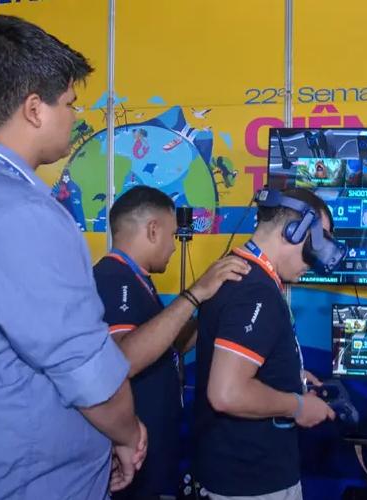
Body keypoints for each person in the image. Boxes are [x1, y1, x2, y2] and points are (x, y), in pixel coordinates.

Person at [0, 15, 146, 499]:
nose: (75, 116)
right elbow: (88, 374)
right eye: (69, 103)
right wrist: (129, 433)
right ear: (34, 109)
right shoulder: (20, 214)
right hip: (27, 482)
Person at [93, 185, 250, 499]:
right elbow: (124, 358)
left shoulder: (138, 280)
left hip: (151, 459)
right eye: (173, 235)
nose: (175, 247)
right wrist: (195, 294)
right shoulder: (113, 278)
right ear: (153, 230)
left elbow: (165, 345)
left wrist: (212, 306)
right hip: (130, 463)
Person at [193, 187, 344, 500]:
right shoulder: (256, 291)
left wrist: (289, 376)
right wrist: (298, 406)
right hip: (251, 482)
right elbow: (226, 393)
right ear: (294, 231)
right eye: (319, 242)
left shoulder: (237, 271)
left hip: (234, 472)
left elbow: (241, 358)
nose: (316, 260)